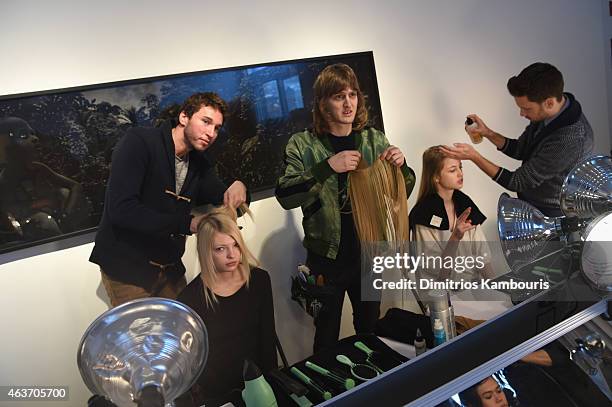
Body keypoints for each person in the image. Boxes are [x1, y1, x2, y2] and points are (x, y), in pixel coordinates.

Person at [275, 63, 416, 352]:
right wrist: (326, 168)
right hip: (325, 259)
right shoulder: (303, 144)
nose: (349, 102)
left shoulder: (373, 139)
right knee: (325, 336)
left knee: (370, 329)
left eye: (353, 94)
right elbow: (285, 195)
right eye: (339, 96)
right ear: (323, 103)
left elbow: (402, 191)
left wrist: (401, 168)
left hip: (368, 255)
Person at [90, 92, 248, 307]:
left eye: (217, 128)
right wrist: (187, 223)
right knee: (144, 338)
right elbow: (122, 211)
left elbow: (227, 199)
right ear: (184, 117)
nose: (211, 133)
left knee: (183, 333)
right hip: (127, 270)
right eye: (206, 121)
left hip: (170, 268)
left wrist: (241, 186)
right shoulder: (140, 142)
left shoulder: (199, 162)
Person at [441, 62, 593, 217]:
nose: (522, 114)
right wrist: (487, 133)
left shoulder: (570, 139)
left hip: (552, 214)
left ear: (549, 102)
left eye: (527, 109)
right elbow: (521, 149)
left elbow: (517, 181)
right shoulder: (549, 114)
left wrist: (474, 157)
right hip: (531, 203)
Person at [175, 208, 276, 407]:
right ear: (206, 252)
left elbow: (267, 337)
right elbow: (194, 362)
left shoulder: (259, 280)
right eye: (220, 249)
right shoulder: (189, 299)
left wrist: (272, 382)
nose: (232, 255)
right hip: (217, 393)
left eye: (235, 245)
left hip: (259, 382)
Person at [409, 146, 494, 283]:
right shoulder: (423, 214)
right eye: (453, 170)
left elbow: (483, 259)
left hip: (472, 289)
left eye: (461, 167)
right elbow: (440, 275)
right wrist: (455, 238)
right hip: (440, 295)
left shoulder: (465, 205)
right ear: (436, 177)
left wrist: (499, 292)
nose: (460, 174)